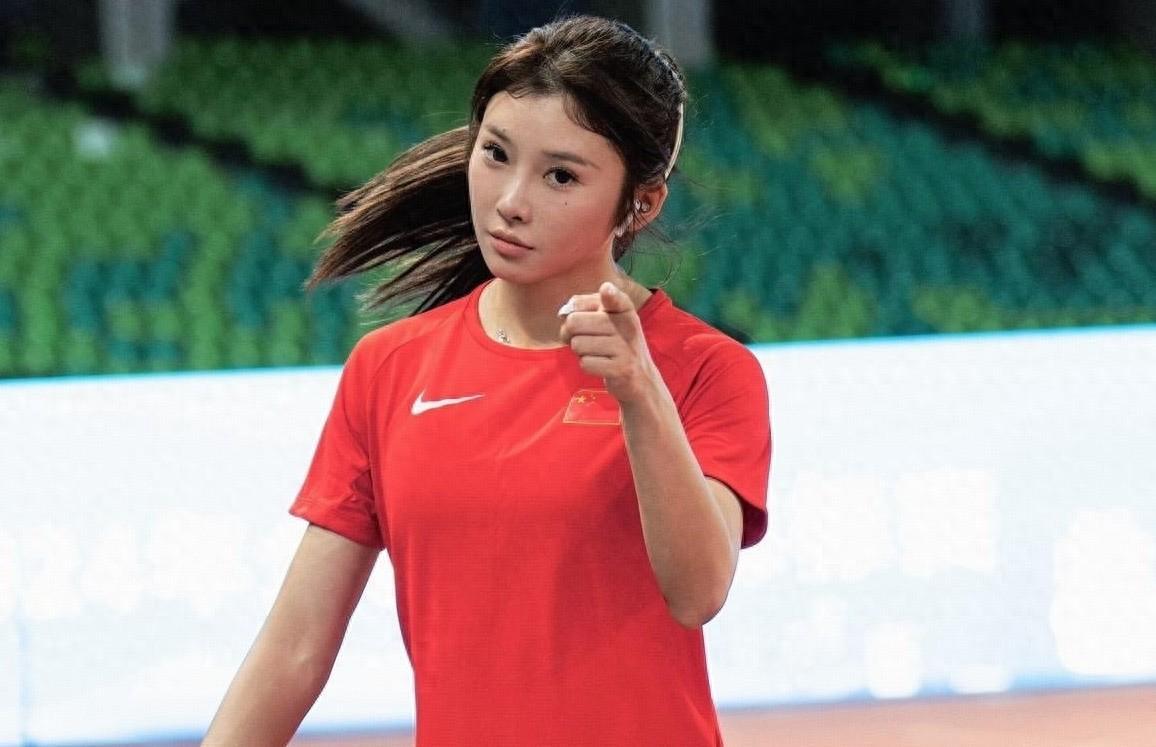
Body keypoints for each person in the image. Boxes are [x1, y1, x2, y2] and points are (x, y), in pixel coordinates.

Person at [202, 14, 771, 746]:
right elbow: (295, 649)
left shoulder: (706, 369)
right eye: (496, 154)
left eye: (560, 176)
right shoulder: (388, 368)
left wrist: (639, 392)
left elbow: (698, 592)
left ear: (641, 201)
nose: (510, 200)